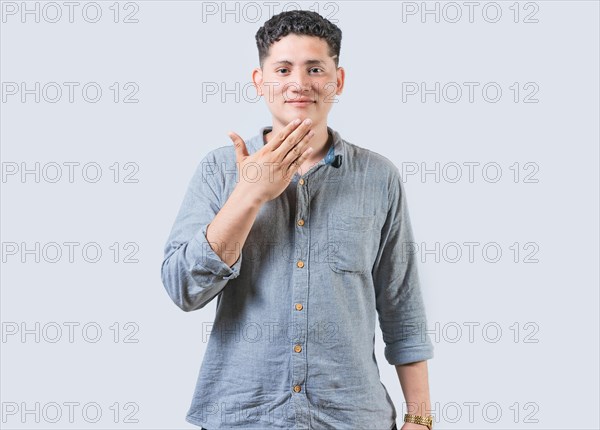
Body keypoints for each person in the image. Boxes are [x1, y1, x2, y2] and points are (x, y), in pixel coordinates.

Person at [161, 10, 434, 430]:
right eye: (283, 69)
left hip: (350, 417)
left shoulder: (379, 177)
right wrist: (249, 195)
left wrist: (421, 418)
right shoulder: (218, 171)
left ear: (337, 81)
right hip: (242, 416)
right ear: (260, 80)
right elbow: (184, 289)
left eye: (315, 69)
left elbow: (401, 304)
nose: (299, 83)